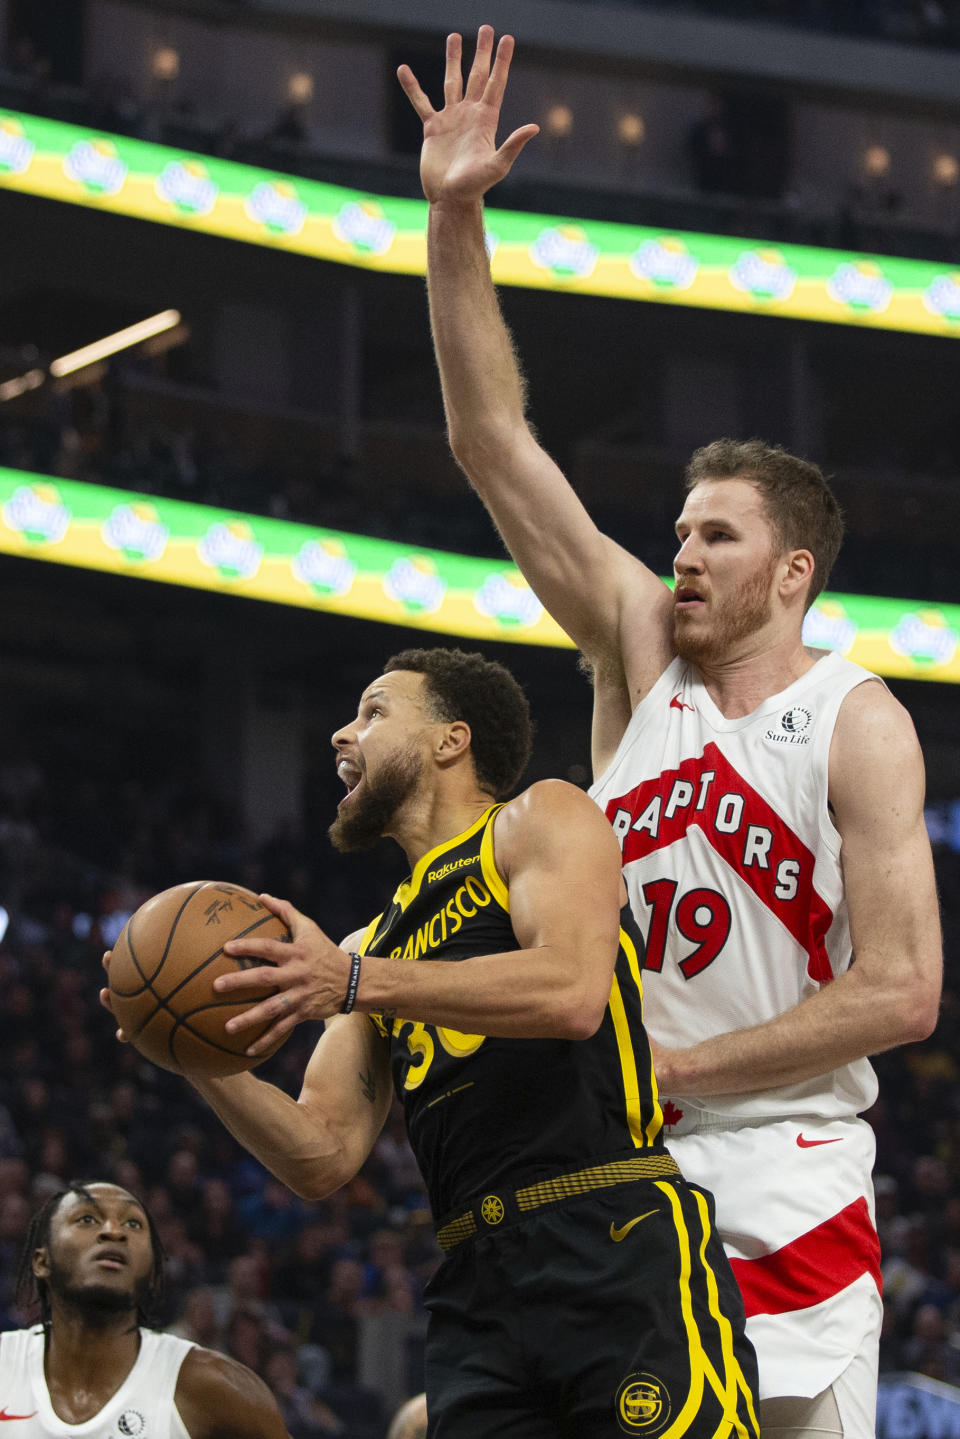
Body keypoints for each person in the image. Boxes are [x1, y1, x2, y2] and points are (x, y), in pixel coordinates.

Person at [396, 28, 943, 1439]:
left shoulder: (856, 720)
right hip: (619, 1170)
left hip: (784, 1162)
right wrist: (454, 218)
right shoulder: (640, 650)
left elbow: (900, 992)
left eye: (718, 535)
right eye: (679, 530)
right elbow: (491, 441)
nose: (682, 554)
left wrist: (671, 1066)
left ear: (794, 571)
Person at [103, 646, 758, 1437]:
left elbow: (575, 989)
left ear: (453, 739)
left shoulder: (534, 821)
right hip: (473, 1287)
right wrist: (195, 1056)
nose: (344, 735)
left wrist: (353, 980)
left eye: (374, 711)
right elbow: (322, 1154)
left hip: (610, 1238)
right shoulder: (372, 940)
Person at [0, 1179, 290, 1438]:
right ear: (42, 1261)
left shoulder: (213, 1387)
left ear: (151, 1272)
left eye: (133, 1224)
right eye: (87, 1219)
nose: (114, 1232)